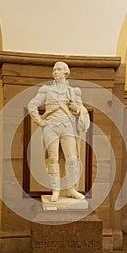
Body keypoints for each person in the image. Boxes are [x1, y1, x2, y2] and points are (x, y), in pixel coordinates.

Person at [28, 61, 90, 202]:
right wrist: (40, 121)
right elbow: (32, 105)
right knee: (53, 159)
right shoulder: (46, 90)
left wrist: (77, 108)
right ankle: (55, 190)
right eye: (54, 69)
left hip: (68, 126)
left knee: (72, 159)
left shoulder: (74, 92)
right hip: (51, 127)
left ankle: (70, 189)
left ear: (66, 72)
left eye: (59, 69)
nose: (55, 72)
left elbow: (82, 110)